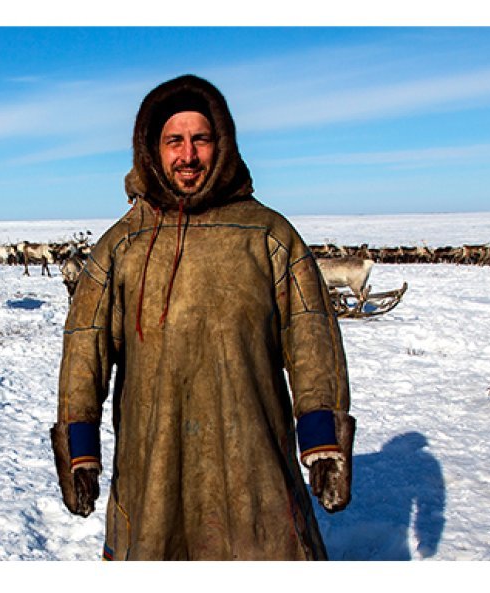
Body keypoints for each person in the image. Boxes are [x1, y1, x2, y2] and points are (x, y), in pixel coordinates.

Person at [51, 74, 355, 560]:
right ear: (152, 147)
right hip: (154, 463)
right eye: (174, 141)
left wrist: (322, 439)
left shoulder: (268, 235)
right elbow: (85, 345)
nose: (188, 155)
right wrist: (79, 445)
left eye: (201, 140)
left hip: (253, 459)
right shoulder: (122, 245)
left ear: (223, 145)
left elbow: (311, 334)